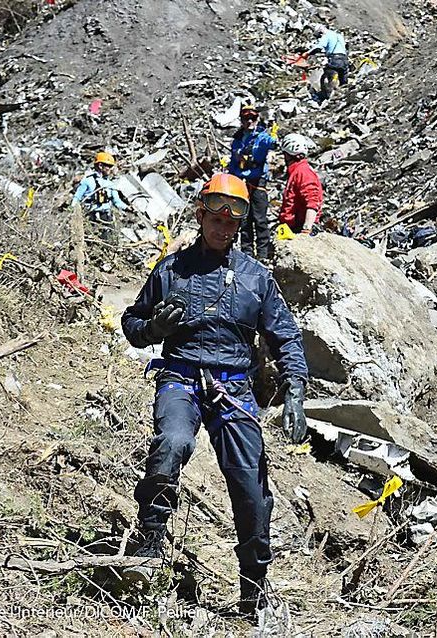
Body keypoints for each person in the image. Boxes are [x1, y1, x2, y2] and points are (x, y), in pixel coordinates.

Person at [120, 173, 309, 616]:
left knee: (250, 484)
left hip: (235, 388)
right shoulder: (171, 269)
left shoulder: (256, 278)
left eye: (232, 222)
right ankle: (148, 543)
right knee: (172, 443)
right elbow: (132, 324)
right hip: (180, 376)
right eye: (216, 218)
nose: (223, 228)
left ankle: (253, 588)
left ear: (239, 226)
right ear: (201, 215)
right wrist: (155, 330)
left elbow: (286, 337)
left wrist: (295, 391)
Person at [227, 105, 278, 261]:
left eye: (253, 118)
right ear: (241, 120)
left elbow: (272, 143)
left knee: (260, 218)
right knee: (244, 219)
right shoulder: (237, 140)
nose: (249, 121)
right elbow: (233, 162)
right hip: (240, 182)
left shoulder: (262, 136)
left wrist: (274, 135)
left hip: (257, 181)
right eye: (246, 118)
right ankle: (247, 254)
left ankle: (262, 254)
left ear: (257, 119)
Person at [277, 134, 323, 235]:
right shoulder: (297, 171)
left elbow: (312, 201)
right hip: (291, 227)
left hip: (299, 227)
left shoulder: (302, 172)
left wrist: (306, 229)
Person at [71, 151, 127, 231]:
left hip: (106, 217)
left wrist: (128, 208)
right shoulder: (87, 181)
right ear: (100, 166)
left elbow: (117, 201)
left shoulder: (110, 184)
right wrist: (72, 211)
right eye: (109, 166)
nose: (111, 169)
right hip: (90, 217)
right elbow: (77, 197)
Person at [305, 24, 348, 101]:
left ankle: (326, 98)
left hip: (335, 60)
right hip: (344, 60)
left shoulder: (327, 35)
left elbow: (319, 47)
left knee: (325, 78)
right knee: (343, 82)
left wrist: (307, 53)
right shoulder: (339, 35)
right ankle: (343, 97)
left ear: (320, 32)